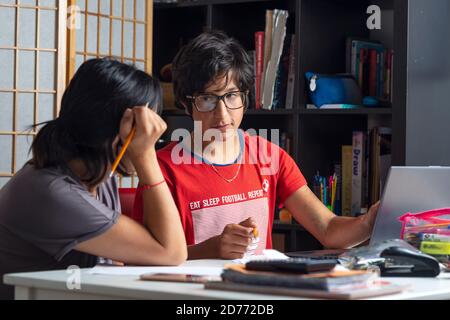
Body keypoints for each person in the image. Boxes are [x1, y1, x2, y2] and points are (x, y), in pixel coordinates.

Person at [132, 31, 380, 260]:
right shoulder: (161, 170)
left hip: (258, 290)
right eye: (207, 99)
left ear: (245, 96)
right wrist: (211, 249)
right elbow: (145, 258)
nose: (222, 114)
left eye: (231, 96)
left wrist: (368, 222)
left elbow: (327, 229)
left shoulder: (269, 156)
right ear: (186, 105)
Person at [0, 58, 187, 300]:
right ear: (117, 131)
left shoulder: (97, 177)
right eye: (144, 127)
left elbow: (146, 255)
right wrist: (146, 156)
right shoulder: (51, 192)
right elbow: (171, 252)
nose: (152, 136)